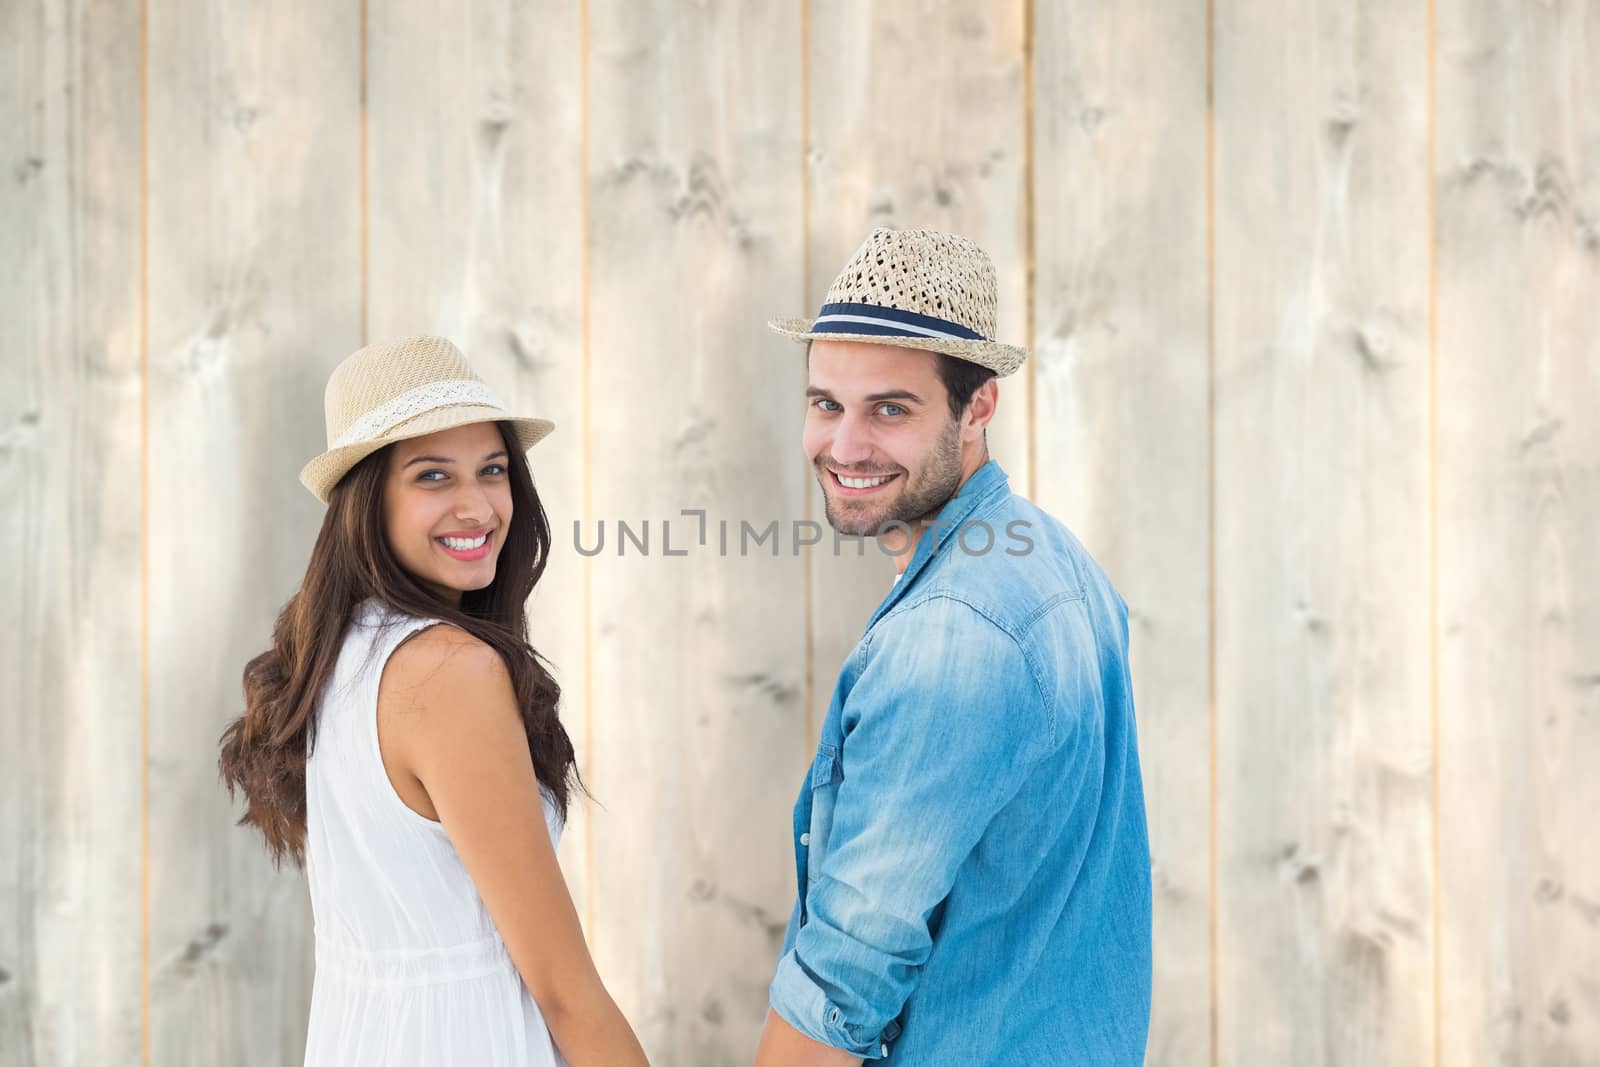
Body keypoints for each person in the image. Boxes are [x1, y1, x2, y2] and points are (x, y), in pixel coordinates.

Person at [753, 229, 1153, 1064]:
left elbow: (843, 978)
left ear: (978, 407)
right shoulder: (1054, 561)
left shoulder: (953, 638)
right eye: (825, 402)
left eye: (890, 409)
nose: (845, 445)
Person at [218, 335, 649, 1067]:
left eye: (492, 470)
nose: (476, 505)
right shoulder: (449, 672)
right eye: (433, 476)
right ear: (366, 499)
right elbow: (564, 987)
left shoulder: (332, 655)